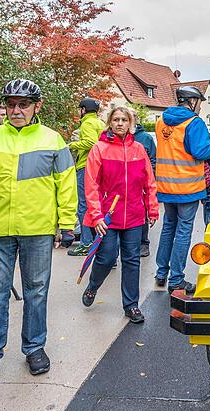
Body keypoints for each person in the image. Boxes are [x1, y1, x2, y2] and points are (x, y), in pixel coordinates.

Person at [0, 79, 77, 390]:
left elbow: (66, 183)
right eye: (11, 104)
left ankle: (34, 348)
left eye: (23, 104)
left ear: (36, 107)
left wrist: (67, 224)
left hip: (37, 229)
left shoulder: (53, 140)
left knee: (36, 292)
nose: (16, 110)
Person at [80, 107, 159, 323]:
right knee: (106, 258)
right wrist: (96, 216)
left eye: (124, 119)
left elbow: (149, 182)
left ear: (131, 123)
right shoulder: (100, 149)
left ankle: (131, 306)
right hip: (107, 217)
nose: (120, 123)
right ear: (110, 123)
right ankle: (93, 286)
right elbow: (91, 185)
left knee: (132, 260)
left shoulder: (139, 149)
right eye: (116, 119)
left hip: (134, 215)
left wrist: (152, 208)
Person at [154, 86, 210, 294]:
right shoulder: (193, 122)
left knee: (168, 228)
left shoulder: (162, 121)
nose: (200, 107)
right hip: (187, 187)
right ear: (192, 102)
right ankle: (177, 280)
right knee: (183, 232)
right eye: (199, 102)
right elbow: (201, 151)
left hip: (166, 186)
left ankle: (161, 273)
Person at [67, 97, 106, 256]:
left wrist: (72, 145)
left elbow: (91, 142)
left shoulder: (87, 123)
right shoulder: (100, 123)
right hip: (100, 167)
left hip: (86, 166)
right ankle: (98, 241)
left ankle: (86, 243)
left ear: (83, 110)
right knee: (96, 204)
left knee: (83, 205)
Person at [132, 112, 157, 258]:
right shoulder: (116, 138)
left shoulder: (145, 138)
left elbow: (153, 159)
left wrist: (149, 176)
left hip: (141, 183)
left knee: (142, 214)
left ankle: (143, 244)